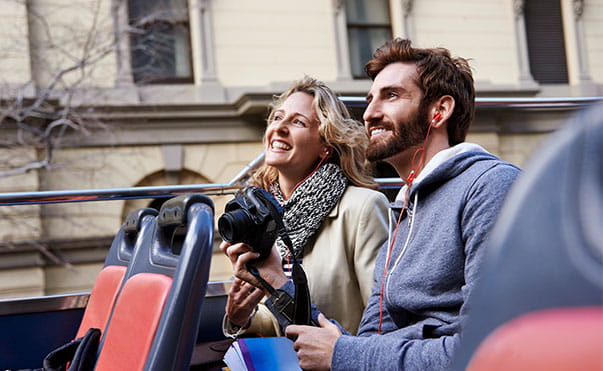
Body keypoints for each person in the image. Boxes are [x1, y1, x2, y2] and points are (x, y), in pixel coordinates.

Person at [234, 39, 521, 370]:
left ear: (438, 111)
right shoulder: (402, 213)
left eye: (392, 95)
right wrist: (275, 279)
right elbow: (363, 347)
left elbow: (491, 350)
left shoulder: (489, 187)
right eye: (370, 99)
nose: (369, 114)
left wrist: (343, 354)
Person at [221, 76, 390, 338]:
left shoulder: (363, 208)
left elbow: (382, 327)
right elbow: (277, 325)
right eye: (277, 118)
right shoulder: (261, 215)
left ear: (325, 145)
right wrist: (240, 317)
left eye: (297, 122)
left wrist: (277, 283)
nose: (279, 128)